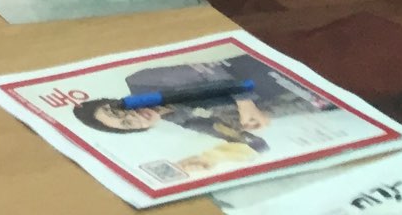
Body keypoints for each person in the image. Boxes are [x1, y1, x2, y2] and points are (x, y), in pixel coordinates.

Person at [72, 51, 325, 151]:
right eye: (127, 124)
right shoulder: (180, 119)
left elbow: (209, 70)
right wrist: (248, 138)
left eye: (117, 111)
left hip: (267, 65)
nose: (132, 116)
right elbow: (219, 131)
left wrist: (244, 102)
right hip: (298, 91)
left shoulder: (141, 81)